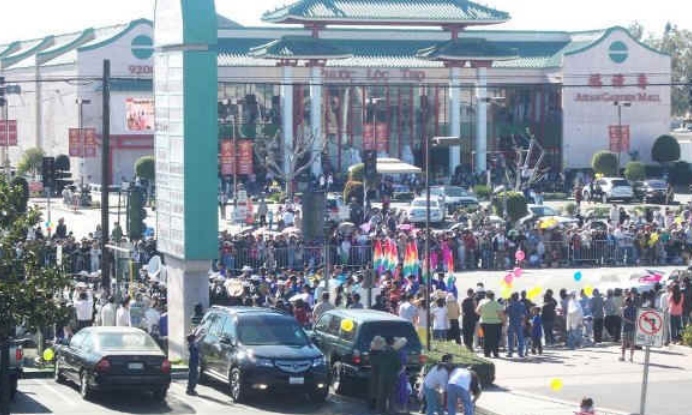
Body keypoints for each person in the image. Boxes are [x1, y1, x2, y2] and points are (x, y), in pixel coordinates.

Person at [476, 291, 503, 358]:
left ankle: (487, 353)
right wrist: (503, 321)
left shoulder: (482, 302)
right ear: (493, 296)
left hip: (484, 322)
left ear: (486, 296)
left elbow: (477, 311)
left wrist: (483, 315)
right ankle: (495, 353)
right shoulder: (497, 304)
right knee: (495, 339)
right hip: (496, 323)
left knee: (486, 338)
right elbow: (500, 315)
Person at [505, 292, 527, 358]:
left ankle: (510, 352)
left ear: (512, 297)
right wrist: (523, 322)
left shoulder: (510, 305)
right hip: (519, 323)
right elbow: (524, 314)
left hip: (511, 323)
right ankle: (520, 353)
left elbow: (505, 312)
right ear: (518, 297)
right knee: (520, 338)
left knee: (510, 339)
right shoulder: (522, 304)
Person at [391, 337, 409, 414]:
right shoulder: (400, 352)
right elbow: (403, 366)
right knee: (400, 392)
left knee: (399, 392)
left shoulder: (398, 352)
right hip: (399, 375)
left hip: (397, 375)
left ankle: (400, 408)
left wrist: (396, 374)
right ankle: (400, 408)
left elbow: (403, 367)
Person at [620, 297, 636, 362]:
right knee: (632, 343)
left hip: (625, 328)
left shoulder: (624, 309)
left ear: (626, 302)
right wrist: (633, 322)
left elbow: (624, 318)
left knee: (624, 343)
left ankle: (623, 357)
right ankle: (631, 357)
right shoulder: (635, 309)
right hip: (633, 328)